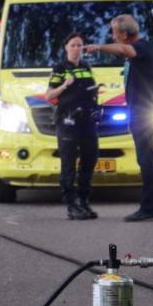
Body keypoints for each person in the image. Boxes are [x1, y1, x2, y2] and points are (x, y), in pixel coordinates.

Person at [86, 14, 153, 221]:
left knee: (146, 160)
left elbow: (124, 50)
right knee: (145, 160)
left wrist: (99, 47)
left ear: (126, 34)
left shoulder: (142, 48)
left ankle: (148, 209)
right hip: (141, 111)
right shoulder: (140, 48)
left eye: (115, 33)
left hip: (144, 112)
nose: (113, 36)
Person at [47, 33, 99, 220]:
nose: (77, 48)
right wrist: (63, 86)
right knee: (69, 164)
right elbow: (49, 95)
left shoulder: (86, 67)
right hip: (67, 121)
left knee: (90, 159)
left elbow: (90, 90)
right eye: (74, 45)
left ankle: (83, 201)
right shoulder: (60, 68)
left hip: (86, 121)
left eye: (80, 45)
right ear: (66, 47)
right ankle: (71, 205)